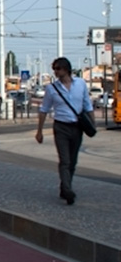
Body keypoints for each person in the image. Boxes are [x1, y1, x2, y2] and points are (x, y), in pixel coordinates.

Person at [35, 56, 90, 205]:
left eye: (58, 68)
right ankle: (67, 190)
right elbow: (44, 109)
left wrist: (93, 124)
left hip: (77, 127)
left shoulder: (80, 84)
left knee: (72, 161)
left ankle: (64, 186)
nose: (55, 72)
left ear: (66, 69)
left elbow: (87, 105)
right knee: (64, 160)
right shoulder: (52, 89)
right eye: (54, 69)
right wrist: (39, 131)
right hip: (61, 127)